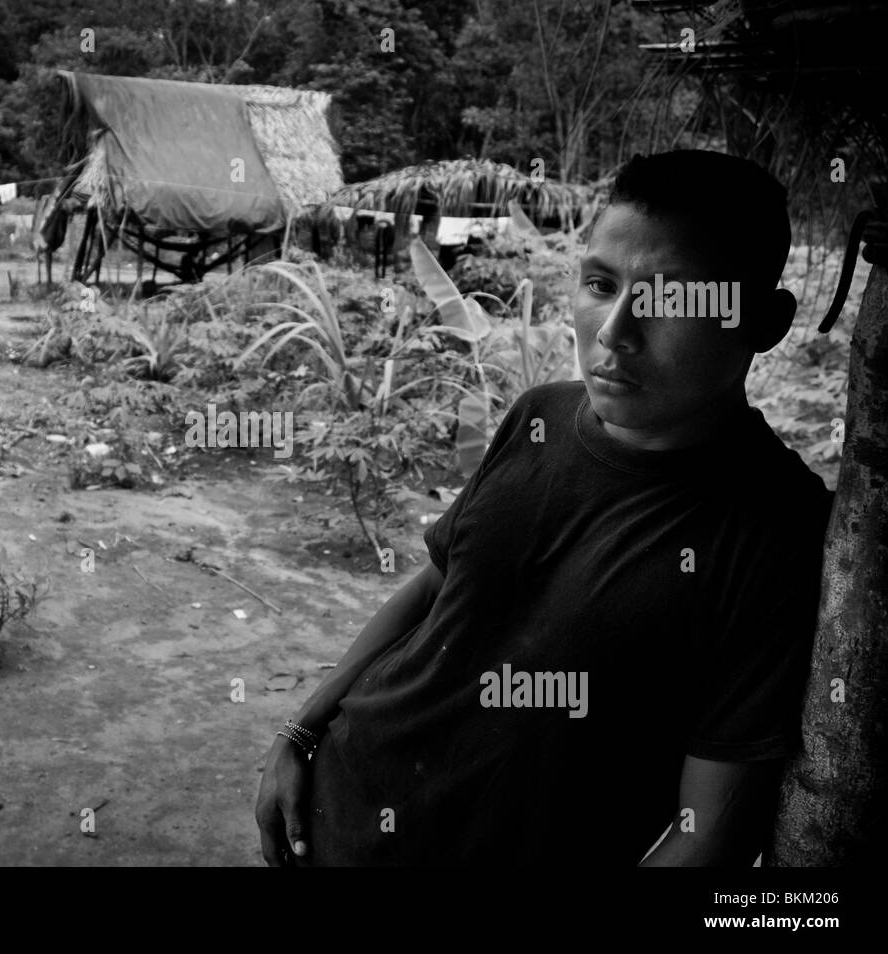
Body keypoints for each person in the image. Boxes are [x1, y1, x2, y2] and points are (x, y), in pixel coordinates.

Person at [255, 150, 834, 867]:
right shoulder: (538, 417)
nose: (615, 330)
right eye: (600, 284)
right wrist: (301, 731)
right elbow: (437, 590)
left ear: (766, 321)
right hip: (337, 810)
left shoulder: (776, 527)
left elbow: (709, 831)